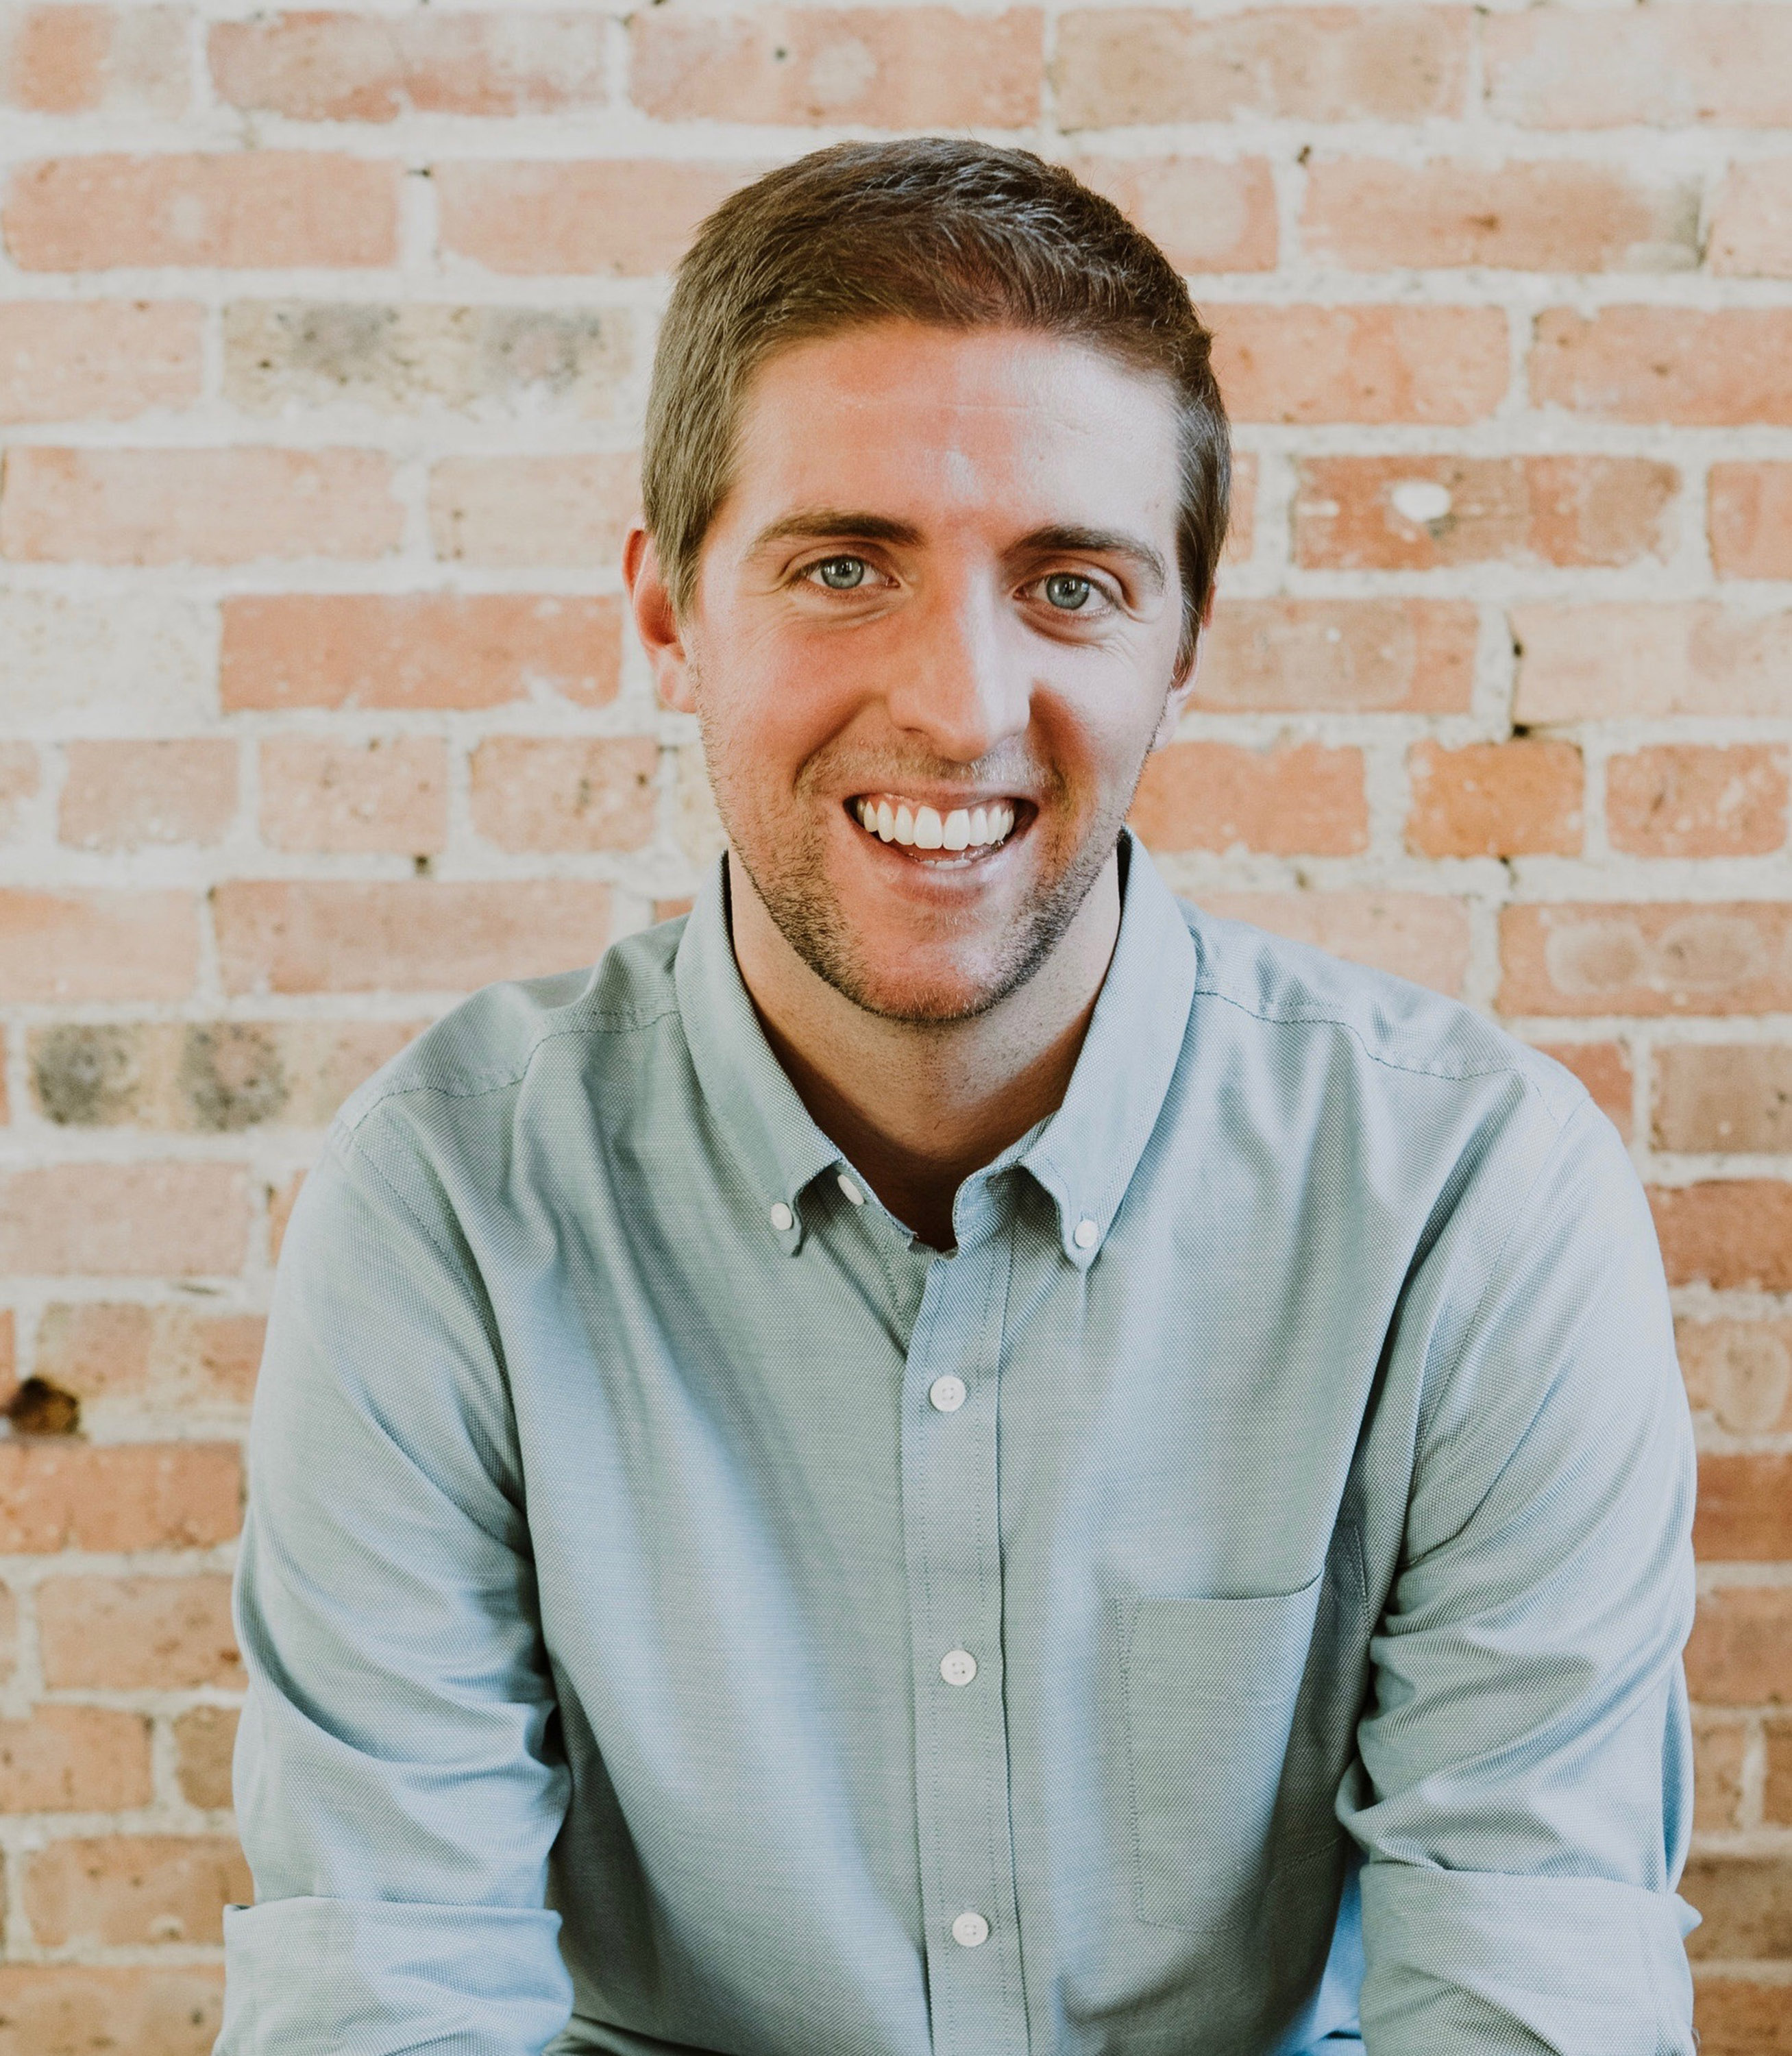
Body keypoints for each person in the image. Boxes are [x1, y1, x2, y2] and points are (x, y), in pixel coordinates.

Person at [219, 138, 1698, 2056]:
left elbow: (1526, 1994)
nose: (961, 704)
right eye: (844, 568)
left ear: (1185, 642)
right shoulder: (450, 1201)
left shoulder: (1470, 1204)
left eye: (1071, 586)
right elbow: (387, 1991)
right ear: (669, 615)